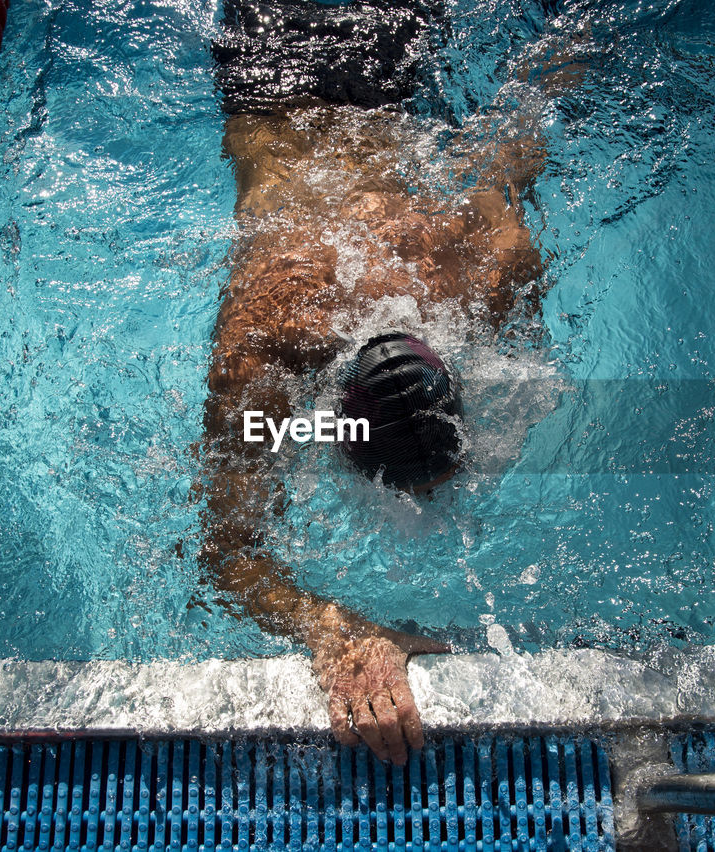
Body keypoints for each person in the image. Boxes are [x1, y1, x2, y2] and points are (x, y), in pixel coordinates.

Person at [197, 0, 547, 765]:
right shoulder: (261, 343)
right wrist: (338, 635)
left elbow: (534, 107)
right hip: (272, 82)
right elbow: (222, 556)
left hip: (385, 71)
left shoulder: (491, 261)